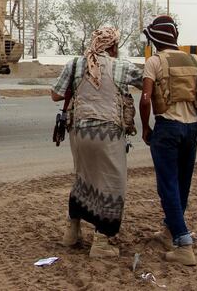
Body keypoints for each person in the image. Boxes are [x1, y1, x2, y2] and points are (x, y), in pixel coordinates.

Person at [51, 27, 143, 257]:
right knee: (113, 185)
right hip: (109, 134)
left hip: (79, 134)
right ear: (113, 46)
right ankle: (102, 242)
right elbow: (147, 83)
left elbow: (55, 94)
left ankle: (71, 234)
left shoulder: (75, 64)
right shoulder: (121, 66)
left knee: (83, 179)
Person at [139, 15, 197, 266]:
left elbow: (145, 98)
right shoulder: (193, 59)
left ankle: (184, 244)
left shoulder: (154, 61)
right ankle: (169, 230)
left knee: (167, 185)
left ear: (154, 39)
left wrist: (145, 128)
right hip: (190, 131)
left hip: (167, 129)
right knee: (182, 183)